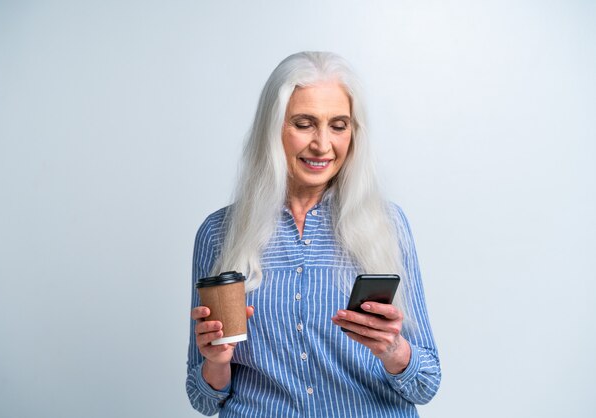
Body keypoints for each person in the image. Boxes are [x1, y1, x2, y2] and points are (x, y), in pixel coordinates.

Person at [186, 51, 441, 417]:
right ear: (273, 130)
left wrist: (393, 350)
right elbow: (202, 397)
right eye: (304, 124)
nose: (323, 144)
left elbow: (427, 381)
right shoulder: (218, 233)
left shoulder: (386, 225)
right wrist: (216, 362)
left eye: (338, 125)